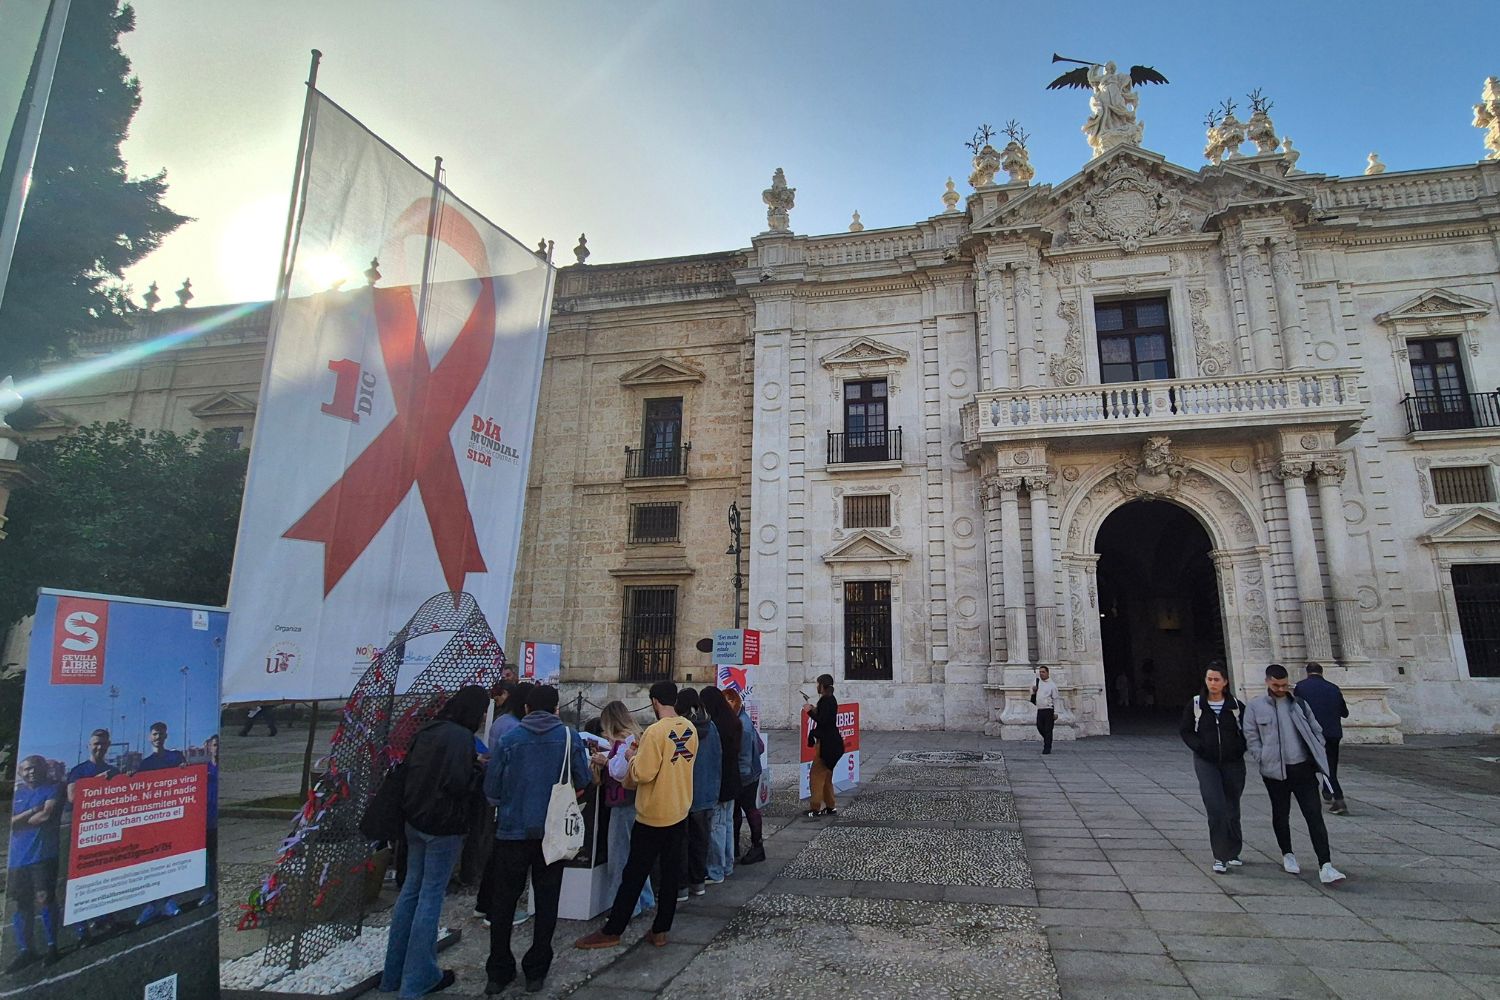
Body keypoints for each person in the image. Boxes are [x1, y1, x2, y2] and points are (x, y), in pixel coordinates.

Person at [482, 683, 594, 995]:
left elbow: (492, 790)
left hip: (513, 830)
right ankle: (536, 970)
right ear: (557, 708)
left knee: (503, 903)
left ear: (527, 709)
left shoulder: (509, 739)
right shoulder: (570, 737)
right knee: (547, 902)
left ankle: (498, 970)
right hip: (553, 832)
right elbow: (583, 778)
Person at [380, 685, 489, 998]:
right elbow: (459, 783)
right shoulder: (459, 737)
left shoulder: (428, 729)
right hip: (443, 824)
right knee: (430, 896)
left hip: (415, 819)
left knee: (410, 891)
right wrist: (479, 770)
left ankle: (393, 974)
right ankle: (417, 980)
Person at [574, 681, 697, 951]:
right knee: (669, 874)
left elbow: (642, 773)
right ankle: (661, 929)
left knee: (633, 873)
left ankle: (613, 929)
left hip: (654, 813)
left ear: (654, 702)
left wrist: (631, 756)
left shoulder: (655, 732)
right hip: (679, 808)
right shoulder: (689, 728)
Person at [1242, 664, 1346, 885]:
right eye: (1276, 684)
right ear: (1267, 682)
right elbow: (1251, 735)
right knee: (1281, 814)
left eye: (1284, 684)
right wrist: (1262, 757)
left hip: (1303, 768)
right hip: (1274, 771)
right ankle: (1287, 853)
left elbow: (1315, 729)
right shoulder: (1255, 707)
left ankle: (1325, 864)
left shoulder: (1298, 703)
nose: (1281, 688)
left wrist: (1317, 749)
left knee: (1314, 815)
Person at [1179, 662, 1247, 874]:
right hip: (1206, 761)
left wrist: (1239, 749)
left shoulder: (1236, 706)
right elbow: (1186, 730)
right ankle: (1220, 855)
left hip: (1233, 762)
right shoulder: (1197, 704)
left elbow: (1248, 731)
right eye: (1209, 679)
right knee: (1216, 807)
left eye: (1217, 679)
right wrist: (1199, 747)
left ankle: (1234, 850)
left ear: (1225, 682)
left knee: (1232, 806)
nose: (1212, 683)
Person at [598, 701, 655, 918]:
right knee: (637, 855)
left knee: (619, 856)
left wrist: (605, 762)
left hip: (622, 804)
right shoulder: (638, 737)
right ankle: (645, 899)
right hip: (637, 802)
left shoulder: (624, 744)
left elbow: (621, 772)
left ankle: (623, 908)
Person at [7, 755, 62, 970]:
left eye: (34, 768)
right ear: (20, 773)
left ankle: (52, 946)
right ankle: (25, 950)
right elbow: (11, 823)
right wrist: (30, 812)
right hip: (17, 859)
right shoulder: (18, 794)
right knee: (22, 903)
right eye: (26, 769)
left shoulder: (51, 789)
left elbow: (46, 816)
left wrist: (20, 821)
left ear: (41, 769)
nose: (30, 772)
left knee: (45, 898)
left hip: (43, 856)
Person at [675, 688, 719, 901]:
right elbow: (717, 758)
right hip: (706, 792)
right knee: (701, 840)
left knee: (681, 842)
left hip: (684, 793)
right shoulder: (711, 726)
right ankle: (698, 883)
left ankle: (681, 887)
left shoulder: (680, 730)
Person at [1295, 662, 1351, 815]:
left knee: (1314, 765)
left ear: (1307, 672)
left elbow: (1297, 709)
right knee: (1330, 765)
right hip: (1334, 733)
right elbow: (1344, 712)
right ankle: (1327, 789)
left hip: (1313, 733)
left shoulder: (1301, 687)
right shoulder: (1333, 688)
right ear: (1322, 672)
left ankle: (1338, 799)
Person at [698, 686, 741, 884]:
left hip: (720, 781)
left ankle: (716, 871)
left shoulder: (715, 727)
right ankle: (727, 865)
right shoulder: (733, 720)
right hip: (732, 779)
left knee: (716, 826)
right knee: (727, 824)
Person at [725, 688, 766, 863]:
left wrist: (738, 780)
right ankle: (735, 847)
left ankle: (757, 847)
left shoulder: (741, 725)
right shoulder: (742, 720)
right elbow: (761, 746)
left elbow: (744, 759)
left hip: (746, 777)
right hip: (751, 773)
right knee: (739, 811)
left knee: (748, 809)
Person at [804, 674, 844, 819]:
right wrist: (814, 710)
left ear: (822, 685)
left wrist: (809, 711)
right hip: (833, 743)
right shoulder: (829, 700)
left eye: (818, 684)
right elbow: (824, 717)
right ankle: (830, 806)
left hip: (827, 744)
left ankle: (815, 807)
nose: (817, 687)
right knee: (826, 775)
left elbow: (823, 721)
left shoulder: (826, 700)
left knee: (816, 775)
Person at [1031, 666, 1058, 754]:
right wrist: (1034, 690)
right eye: (1040, 672)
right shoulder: (1037, 682)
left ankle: (1047, 747)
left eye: (1043, 672)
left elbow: (1055, 699)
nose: (1041, 674)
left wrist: (1056, 712)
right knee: (1040, 727)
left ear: (1047, 673)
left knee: (1048, 729)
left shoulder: (1052, 685)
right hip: (1040, 709)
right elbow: (1031, 693)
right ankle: (1047, 739)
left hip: (1049, 709)